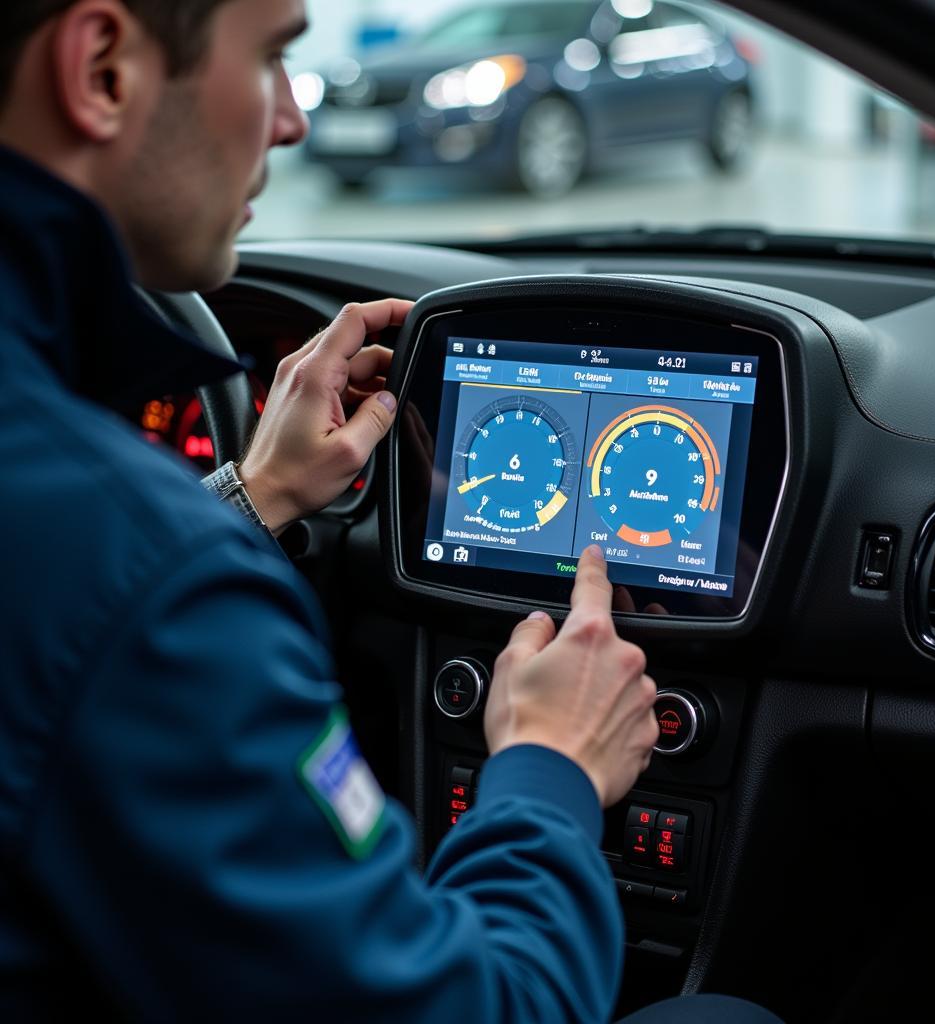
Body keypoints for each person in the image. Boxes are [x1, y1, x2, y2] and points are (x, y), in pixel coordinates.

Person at [0, 1, 782, 1021]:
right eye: (275, 58)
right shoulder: (155, 587)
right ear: (103, 70)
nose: (292, 120)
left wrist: (255, 495)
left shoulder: (88, 528)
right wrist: (550, 769)